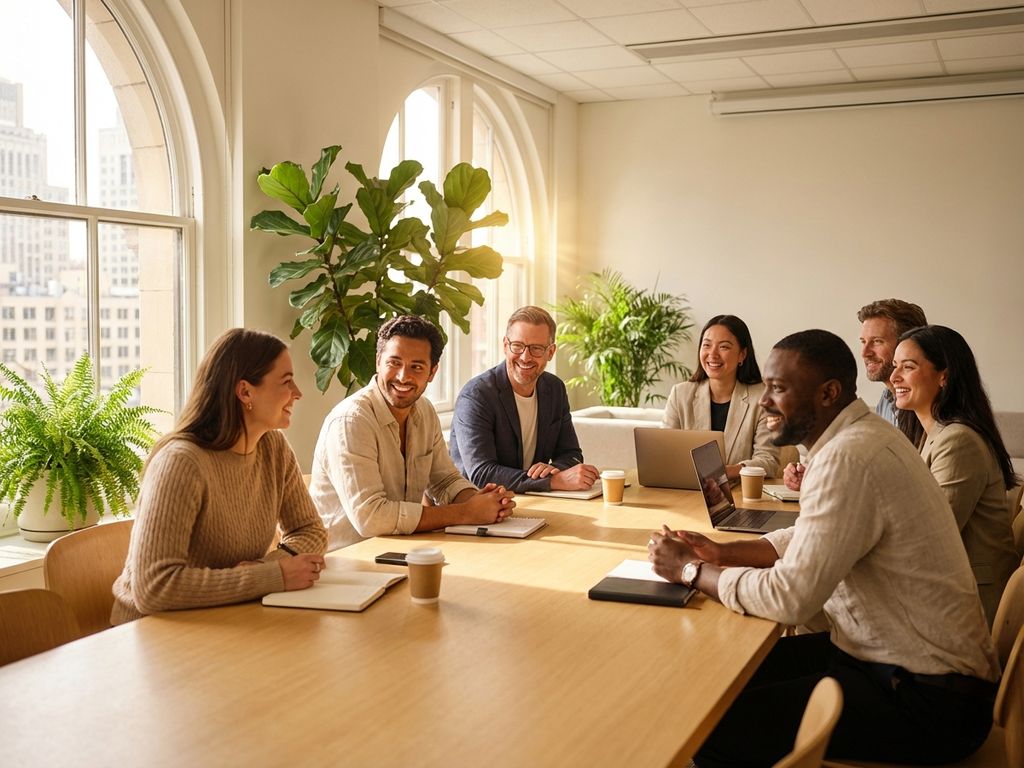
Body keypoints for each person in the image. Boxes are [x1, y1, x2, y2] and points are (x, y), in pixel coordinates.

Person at [649, 329, 998, 767]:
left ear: (829, 393)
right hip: (894, 663)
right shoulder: (861, 437)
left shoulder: (848, 458)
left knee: (709, 723)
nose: (764, 401)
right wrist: (723, 553)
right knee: (719, 678)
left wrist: (690, 572)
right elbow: (811, 535)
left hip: (928, 699)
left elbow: (790, 599)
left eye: (778, 389)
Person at [111, 329, 328, 624]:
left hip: (226, 619)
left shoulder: (273, 447)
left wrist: (266, 567)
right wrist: (270, 576)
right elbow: (154, 588)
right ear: (245, 392)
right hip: (150, 633)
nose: (298, 393)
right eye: (286, 382)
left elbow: (311, 531)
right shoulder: (180, 463)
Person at [310, 315, 515, 550]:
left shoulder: (424, 411)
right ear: (378, 361)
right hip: (345, 561)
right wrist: (464, 513)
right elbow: (371, 518)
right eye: (394, 363)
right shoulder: (351, 421)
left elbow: (445, 480)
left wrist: (483, 501)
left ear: (432, 372)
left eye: (416, 367)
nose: (403, 376)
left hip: (399, 551)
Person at [892, 324, 1019, 625]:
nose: (894, 377)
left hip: (965, 608)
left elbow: (927, 535)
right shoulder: (931, 435)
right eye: (895, 366)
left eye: (907, 367)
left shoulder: (958, 441)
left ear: (944, 376)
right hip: (943, 590)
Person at [449, 306, 598, 492]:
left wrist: (555, 470)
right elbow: (481, 474)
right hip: (476, 505)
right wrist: (553, 481)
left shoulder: (554, 389)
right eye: (517, 346)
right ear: (505, 345)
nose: (525, 357)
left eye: (536, 348)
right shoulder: (477, 396)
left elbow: (571, 454)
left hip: (529, 499)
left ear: (550, 352)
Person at [784, 297, 927, 490]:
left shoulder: (927, 408)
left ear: (907, 345)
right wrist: (815, 475)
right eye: (863, 342)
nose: (865, 352)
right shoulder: (886, 400)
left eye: (877, 341)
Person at [663, 314, 779, 480]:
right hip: (687, 492)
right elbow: (665, 454)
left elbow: (768, 462)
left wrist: (727, 472)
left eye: (723, 347)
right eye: (707, 345)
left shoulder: (762, 399)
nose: (713, 354)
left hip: (740, 495)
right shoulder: (680, 395)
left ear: (742, 355)